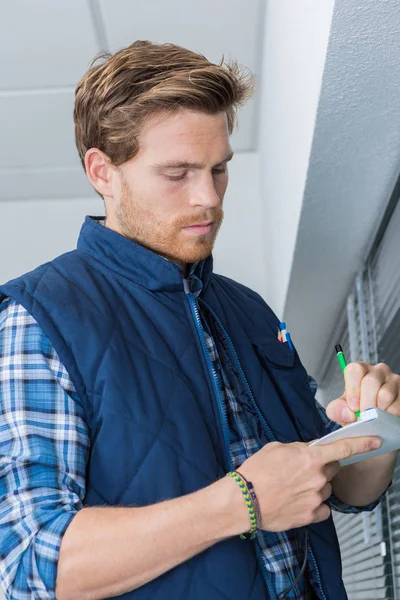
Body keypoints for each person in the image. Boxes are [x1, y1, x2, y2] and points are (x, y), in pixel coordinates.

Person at [0, 41, 399, 600]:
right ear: (103, 172)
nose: (208, 198)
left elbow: (342, 490)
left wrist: (376, 429)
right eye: (178, 173)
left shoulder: (247, 309)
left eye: (218, 169)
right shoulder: (40, 318)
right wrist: (242, 503)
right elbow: (28, 562)